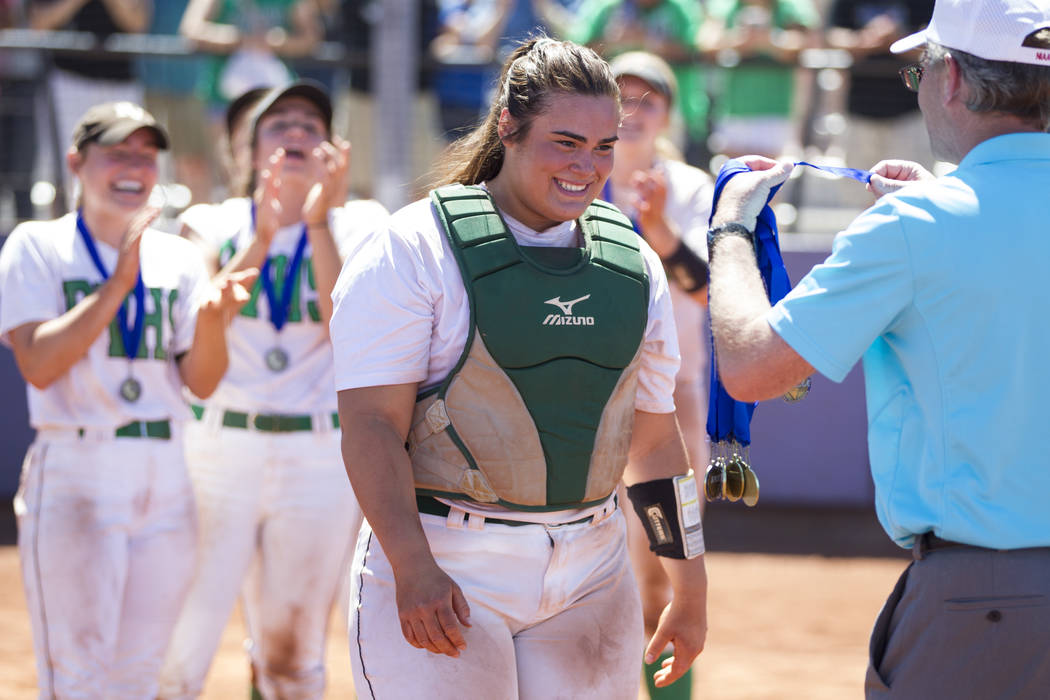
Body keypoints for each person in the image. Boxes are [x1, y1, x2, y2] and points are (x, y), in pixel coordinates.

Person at [332, 37, 708, 699]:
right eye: (565, 142)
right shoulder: (416, 245)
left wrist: (690, 583)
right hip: (448, 561)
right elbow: (370, 425)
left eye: (604, 146)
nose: (586, 167)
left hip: (592, 568)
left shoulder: (632, 260)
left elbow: (652, 441)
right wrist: (412, 568)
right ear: (508, 126)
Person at [704, 0, 1050, 696]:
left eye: (920, 67)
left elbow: (750, 367)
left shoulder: (916, 223)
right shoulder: (924, 219)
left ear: (950, 77)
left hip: (986, 599)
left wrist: (731, 232)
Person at [0, 101, 253, 698]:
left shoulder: (181, 257)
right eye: (117, 153)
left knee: (139, 677)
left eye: (145, 154)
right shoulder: (38, 244)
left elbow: (202, 382)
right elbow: (38, 365)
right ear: (76, 162)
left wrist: (216, 322)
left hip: (166, 473)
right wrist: (118, 281)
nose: (134, 166)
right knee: (77, 677)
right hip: (78, 464)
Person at [156, 80, 381, 700]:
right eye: (277, 123)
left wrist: (314, 225)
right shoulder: (210, 222)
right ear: (249, 152)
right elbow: (200, 321)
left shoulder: (362, 223)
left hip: (316, 453)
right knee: (181, 640)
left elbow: (355, 334)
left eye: (311, 122)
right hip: (219, 445)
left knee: (293, 650)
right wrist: (262, 234)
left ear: (334, 147)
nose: (296, 131)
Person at [604, 50, 712, 700]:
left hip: (671, 399)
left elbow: (708, 290)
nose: (634, 111)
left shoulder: (693, 185)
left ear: (669, 114)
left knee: (662, 580)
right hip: (582, 394)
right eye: (622, 95)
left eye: (649, 99)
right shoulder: (569, 177)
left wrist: (661, 230)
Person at [825, 0, 935, 208]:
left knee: (913, 199)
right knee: (861, 196)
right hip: (860, 108)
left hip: (910, 109)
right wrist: (865, 40)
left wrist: (897, 40)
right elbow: (832, 35)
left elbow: (933, 42)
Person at [697, 0, 819, 159]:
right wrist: (738, 40)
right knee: (734, 175)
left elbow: (810, 42)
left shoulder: (793, 6)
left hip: (777, 112)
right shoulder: (724, 5)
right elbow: (705, 43)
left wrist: (770, 41)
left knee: (774, 175)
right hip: (733, 111)